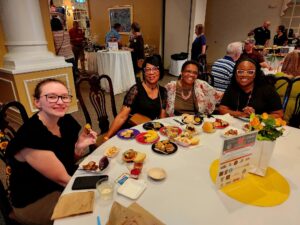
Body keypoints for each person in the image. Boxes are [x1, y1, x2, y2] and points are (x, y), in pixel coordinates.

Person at [5, 79, 97, 225]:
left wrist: (79, 147)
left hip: (58, 182)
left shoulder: (65, 120)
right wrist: (98, 186)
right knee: (95, 210)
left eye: (65, 97)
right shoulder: (31, 136)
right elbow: (63, 179)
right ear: (37, 102)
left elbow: (66, 161)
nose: (60, 102)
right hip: (36, 199)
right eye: (52, 97)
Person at [104, 55, 167, 140]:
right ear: (144, 72)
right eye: (147, 69)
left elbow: (162, 118)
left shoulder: (163, 91)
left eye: (155, 69)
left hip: (149, 132)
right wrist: (107, 137)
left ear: (160, 71)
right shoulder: (135, 90)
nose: (151, 73)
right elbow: (122, 116)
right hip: (133, 131)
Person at [219, 57, 283, 118]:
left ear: (255, 75)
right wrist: (240, 114)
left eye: (250, 72)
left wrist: (256, 117)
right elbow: (222, 109)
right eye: (240, 72)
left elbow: (279, 114)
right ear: (235, 74)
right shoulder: (232, 87)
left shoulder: (267, 89)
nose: (244, 75)